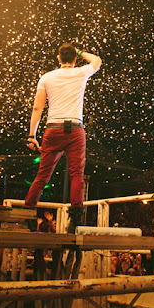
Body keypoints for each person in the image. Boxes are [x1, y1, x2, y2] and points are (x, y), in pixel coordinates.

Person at [25, 44, 102, 232]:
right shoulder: (81, 72)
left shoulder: (46, 78)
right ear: (75, 59)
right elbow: (97, 60)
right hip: (75, 129)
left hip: (52, 129)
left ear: (58, 59)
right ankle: (76, 217)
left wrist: (31, 135)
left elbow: (37, 108)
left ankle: (28, 211)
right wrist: (80, 52)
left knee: (43, 175)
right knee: (77, 174)